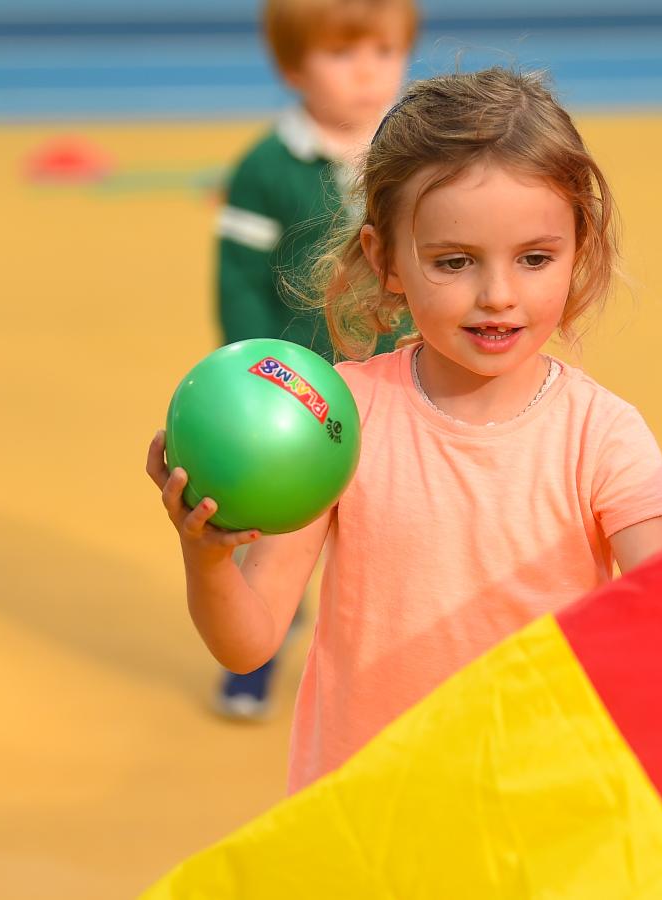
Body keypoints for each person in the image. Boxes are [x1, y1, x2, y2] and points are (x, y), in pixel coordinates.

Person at [149, 67, 662, 791]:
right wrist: (206, 556)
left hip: (540, 816)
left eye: (534, 258)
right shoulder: (340, 423)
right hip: (368, 823)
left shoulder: (605, 438)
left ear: (578, 247)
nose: (498, 295)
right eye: (454, 262)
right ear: (385, 259)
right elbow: (248, 644)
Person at [210, 0, 416, 719]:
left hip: (395, 393)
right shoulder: (266, 167)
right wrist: (251, 370)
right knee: (277, 541)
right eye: (341, 54)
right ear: (293, 66)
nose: (368, 72)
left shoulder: (412, 162)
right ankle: (255, 655)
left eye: (385, 53)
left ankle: (395, 670)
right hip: (296, 398)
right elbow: (239, 278)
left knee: (395, 537)